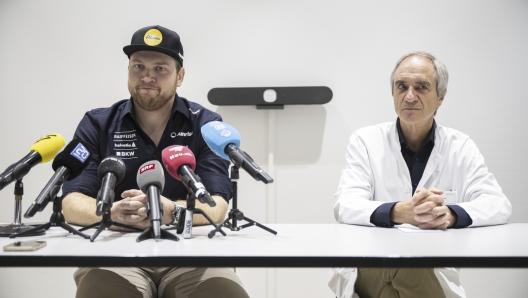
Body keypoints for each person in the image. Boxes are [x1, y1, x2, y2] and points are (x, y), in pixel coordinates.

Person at [62, 25, 249, 298]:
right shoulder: (97, 123)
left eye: (160, 69)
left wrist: (171, 210)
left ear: (180, 76)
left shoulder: (206, 124)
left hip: (192, 252)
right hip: (117, 250)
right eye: (138, 66)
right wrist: (112, 213)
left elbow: (218, 206)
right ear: (128, 70)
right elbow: (71, 203)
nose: (147, 77)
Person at [328, 51, 512, 298]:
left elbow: (498, 204)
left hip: (433, 270)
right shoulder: (365, 141)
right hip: (369, 266)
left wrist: (450, 215)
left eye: (421, 87)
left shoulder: (460, 146)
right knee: (406, 262)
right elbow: (345, 205)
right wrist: (399, 212)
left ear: (441, 97)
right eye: (401, 86)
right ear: (393, 93)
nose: (409, 96)